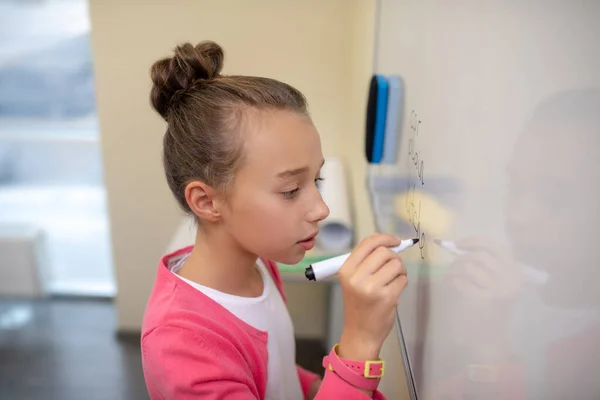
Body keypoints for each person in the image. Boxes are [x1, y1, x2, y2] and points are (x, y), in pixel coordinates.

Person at [140, 41, 409, 400]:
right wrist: (360, 341)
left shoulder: (260, 263)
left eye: (317, 181)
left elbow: (270, 368)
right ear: (206, 201)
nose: (321, 210)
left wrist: (316, 387)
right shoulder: (181, 344)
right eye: (290, 190)